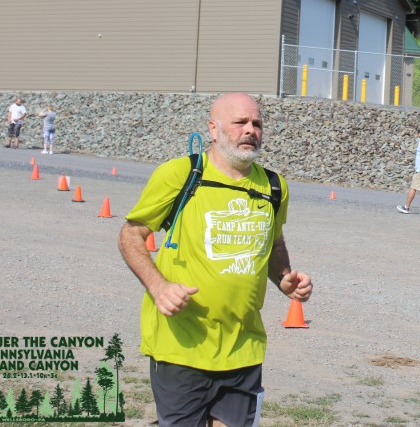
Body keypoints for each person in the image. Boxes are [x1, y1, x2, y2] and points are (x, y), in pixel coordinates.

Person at [118, 93, 312, 427]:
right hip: (181, 345)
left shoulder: (274, 186)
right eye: (240, 122)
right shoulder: (181, 174)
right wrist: (159, 287)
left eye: (257, 124)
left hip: (243, 346)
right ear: (213, 128)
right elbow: (131, 234)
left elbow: (273, 238)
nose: (250, 130)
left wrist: (284, 278)